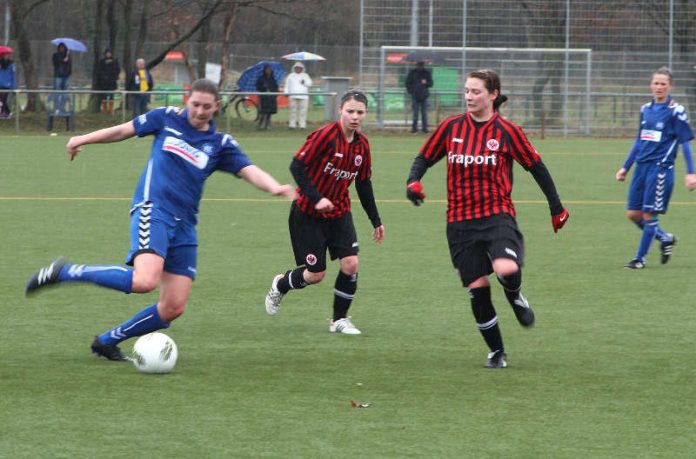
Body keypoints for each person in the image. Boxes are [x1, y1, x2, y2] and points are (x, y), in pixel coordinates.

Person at [25, 78, 297, 361]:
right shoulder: (166, 118)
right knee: (144, 281)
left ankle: (106, 342)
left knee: (172, 307)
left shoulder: (220, 143)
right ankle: (66, 271)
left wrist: (274, 187)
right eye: (195, 104)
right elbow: (123, 130)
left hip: (185, 226)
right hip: (152, 209)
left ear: (216, 107)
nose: (200, 111)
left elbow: (249, 169)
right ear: (186, 101)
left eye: (206, 106)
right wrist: (83, 138)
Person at [405, 69, 569, 368]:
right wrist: (413, 181)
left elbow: (537, 168)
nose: (469, 96)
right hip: (459, 222)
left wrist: (556, 207)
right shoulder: (451, 127)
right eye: (467, 91)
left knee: (505, 267)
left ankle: (516, 295)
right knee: (477, 288)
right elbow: (423, 158)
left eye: (476, 91)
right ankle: (497, 351)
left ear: (492, 95)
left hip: (497, 216)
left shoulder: (507, 132)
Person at [264, 89, 385, 335]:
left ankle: (338, 320)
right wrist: (317, 199)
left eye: (360, 112)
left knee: (351, 264)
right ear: (340, 110)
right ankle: (281, 283)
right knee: (315, 274)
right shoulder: (325, 136)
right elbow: (297, 166)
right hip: (307, 214)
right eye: (350, 111)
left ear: (365, 114)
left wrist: (376, 220)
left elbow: (363, 184)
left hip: (339, 212)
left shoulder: (362, 146)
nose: (354, 116)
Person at [615, 66, 696, 269]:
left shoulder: (676, 112)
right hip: (641, 168)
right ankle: (665, 238)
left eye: (663, 84)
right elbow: (639, 141)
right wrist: (625, 167)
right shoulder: (646, 110)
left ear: (670, 86)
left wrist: (691, 172)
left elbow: (685, 143)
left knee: (650, 214)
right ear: (651, 85)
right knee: (633, 214)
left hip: (660, 169)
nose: (659, 87)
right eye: (656, 83)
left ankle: (639, 259)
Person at [405, 61, 433, 134]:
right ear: (416, 65)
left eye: (421, 65)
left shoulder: (426, 73)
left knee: (424, 113)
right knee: (415, 113)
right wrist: (411, 91)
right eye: (419, 65)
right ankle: (414, 129)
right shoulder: (412, 73)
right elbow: (407, 83)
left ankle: (425, 129)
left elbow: (431, 83)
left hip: (424, 96)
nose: (420, 67)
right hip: (415, 95)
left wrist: (426, 83)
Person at [284, 61, 313, 129]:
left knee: (303, 111)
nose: (298, 69)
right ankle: (292, 125)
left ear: (302, 68)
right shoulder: (290, 76)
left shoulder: (305, 75)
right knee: (292, 111)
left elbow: (310, 84)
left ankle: (302, 125)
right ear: (294, 68)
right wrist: (286, 92)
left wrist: (304, 82)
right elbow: (287, 85)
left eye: (299, 68)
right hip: (293, 95)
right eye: (296, 68)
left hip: (304, 96)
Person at [96, 48, 121, 115]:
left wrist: (114, 76)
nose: (108, 54)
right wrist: (103, 77)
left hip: (112, 81)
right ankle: (105, 110)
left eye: (109, 53)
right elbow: (99, 71)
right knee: (104, 96)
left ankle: (111, 111)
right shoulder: (102, 61)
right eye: (107, 53)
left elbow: (117, 70)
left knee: (111, 95)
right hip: (104, 82)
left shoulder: (115, 61)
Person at [256, 65, 279, 130]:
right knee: (263, 111)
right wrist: (263, 87)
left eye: (269, 70)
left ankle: (268, 124)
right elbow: (258, 87)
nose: (268, 71)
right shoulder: (261, 78)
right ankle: (261, 125)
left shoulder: (273, 79)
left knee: (269, 112)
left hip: (271, 98)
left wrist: (274, 92)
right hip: (264, 98)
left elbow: (275, 87)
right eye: (267, 69)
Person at [0, 51, 16, 119]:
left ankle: (8, 112)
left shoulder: (11, 65)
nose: (6, 56)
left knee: (4, 100)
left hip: (6, 85)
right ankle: (3, 112)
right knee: (1, 100)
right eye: (4, 55)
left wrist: (14, 86)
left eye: (7, 55)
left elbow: (13, 76)